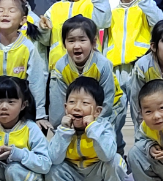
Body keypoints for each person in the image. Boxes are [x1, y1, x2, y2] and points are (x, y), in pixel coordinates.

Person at [47, 77, 128, 181]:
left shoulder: (103, 127)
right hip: (76, 177)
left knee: (116, 160)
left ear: (97, 111)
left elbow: (107, 155)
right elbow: (54, 158)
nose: (77, 107)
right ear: (65, 107)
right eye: (72, 102)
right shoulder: (63, 129)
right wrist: (64, 131)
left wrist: (92, 128)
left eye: (85, 103)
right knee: (52, 167)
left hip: (99, 177)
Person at [47, 16, 123, 154]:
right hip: (81, 105)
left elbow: (108, 98)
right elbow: (58, 101)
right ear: (64, 44)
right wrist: (60, 127)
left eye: (82, 40)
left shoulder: (103, 64)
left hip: (112, 105)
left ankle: (118, 155)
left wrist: (97, 122)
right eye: (71, 41)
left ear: (94, 43)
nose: (76, 46)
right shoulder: (60, 67)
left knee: (109, 138)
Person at [0, 0, 48, 128]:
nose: (5, 14)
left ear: (23, 20)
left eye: (11, 10)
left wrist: (40, 114)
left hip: (23, 112)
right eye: (0, 10)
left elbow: (36, 82)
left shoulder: (28, 49)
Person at [40, 0, 110, 69]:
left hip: (90, 66)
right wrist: (43, 29)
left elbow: (104, 22)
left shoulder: (92, 3)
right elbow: (45, 41)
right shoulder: (54, 9)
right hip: (59, 67)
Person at [106, 0, 163, 89]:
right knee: (117, 102)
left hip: (140, 66)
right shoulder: (111, 13)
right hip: (115, 69)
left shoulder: (145, 8)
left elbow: (160, 23)